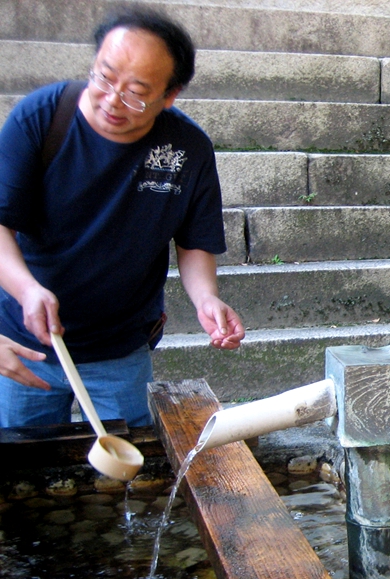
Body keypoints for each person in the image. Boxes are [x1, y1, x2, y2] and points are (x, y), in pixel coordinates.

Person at [0, 7, 244, 428]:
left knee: (132, 478)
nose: (112, 100)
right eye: (104, 77)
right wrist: (26, 290)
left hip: (120, 350)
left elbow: (195, 241)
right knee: (26, 470)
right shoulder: (41, 117)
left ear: (170, 95)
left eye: (136, 92)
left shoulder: (187, 150)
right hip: (29, 345)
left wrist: (206, 298)